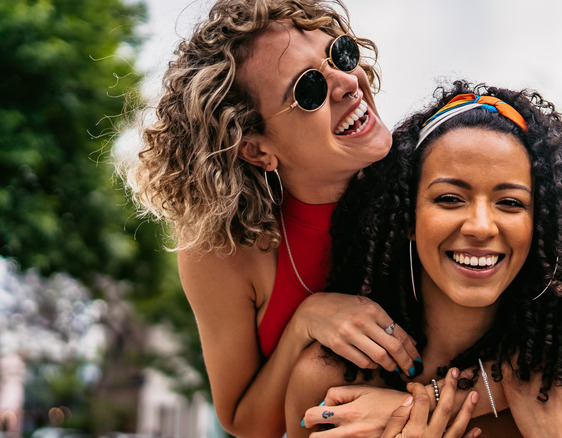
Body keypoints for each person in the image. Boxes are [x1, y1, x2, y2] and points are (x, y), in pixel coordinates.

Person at [120, 0, 422, 436]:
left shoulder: (440, 188)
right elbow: (244, 421)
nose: (346, 83)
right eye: (309, 89)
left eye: (340, 55)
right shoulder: (225, 250)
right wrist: (305, 322)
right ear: (257, 148)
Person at [287, 82, 562, 436]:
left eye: (510, 203)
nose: (480, 227)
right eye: (449, 198)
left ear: (540, 227)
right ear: (407, 219)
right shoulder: (327, 381)